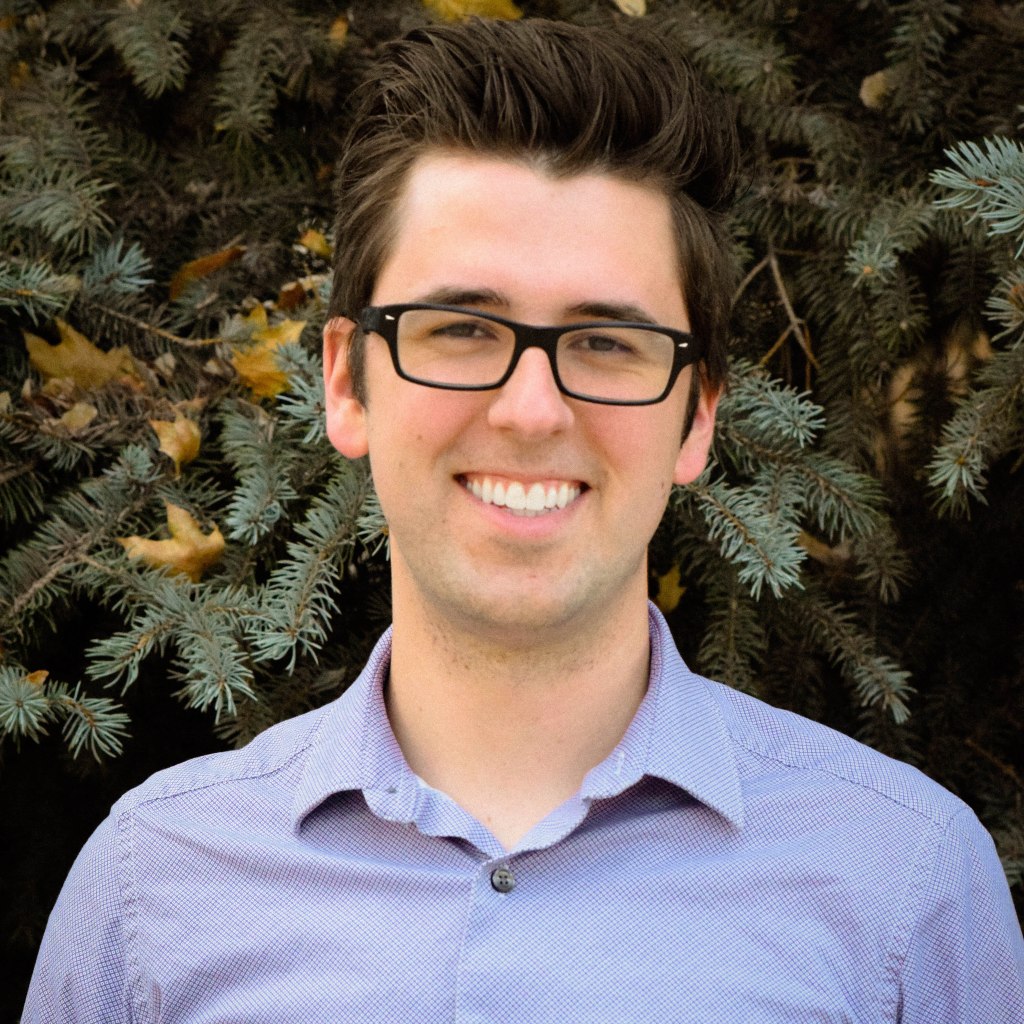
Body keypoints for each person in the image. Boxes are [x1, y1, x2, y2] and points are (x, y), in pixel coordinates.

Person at [24, 17, 1023, 1023]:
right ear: (346, 382)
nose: (531, 410)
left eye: (607, 342)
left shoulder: (904, 891)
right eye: (461, 328)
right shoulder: (151, 892)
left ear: (697, 416)